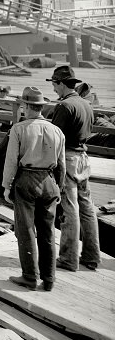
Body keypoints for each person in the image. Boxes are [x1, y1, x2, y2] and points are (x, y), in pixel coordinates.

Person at [2, 86, 66, 291]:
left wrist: (6, 186)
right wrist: (59, 189)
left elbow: (11, 161)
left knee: (26, 230)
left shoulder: (19, 129)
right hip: (49, 181)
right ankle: (49, 279)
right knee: (48, 231)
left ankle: (30, 277)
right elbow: (62, 165)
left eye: (22, 105)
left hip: (26, 180)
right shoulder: (57, 130)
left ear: (26, 106)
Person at [47, 65, 101, 272]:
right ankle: (91, 256)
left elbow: (56, 139)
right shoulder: (86, 104)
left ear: (61, 84)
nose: (53, 89)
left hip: (67, 159)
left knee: (70, 210)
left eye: (53, 84)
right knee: (87, 208)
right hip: (84, 159)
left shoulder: (64, 107)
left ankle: (69, 259)